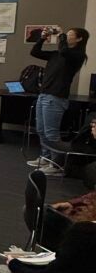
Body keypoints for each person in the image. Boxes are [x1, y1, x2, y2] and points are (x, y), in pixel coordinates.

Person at [29, 26, 89, 175]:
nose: (66, 37)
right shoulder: (57, 54)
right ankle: (45, 157)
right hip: (44, 94)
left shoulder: (77, 55)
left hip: (56, 97)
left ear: (79, 39)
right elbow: (35, 52)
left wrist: (61, 35)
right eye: (66, 35)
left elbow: (64, 51)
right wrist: (42, 38)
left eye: (70, 35)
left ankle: (56, 165)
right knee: (41, 130)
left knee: (51, 133)